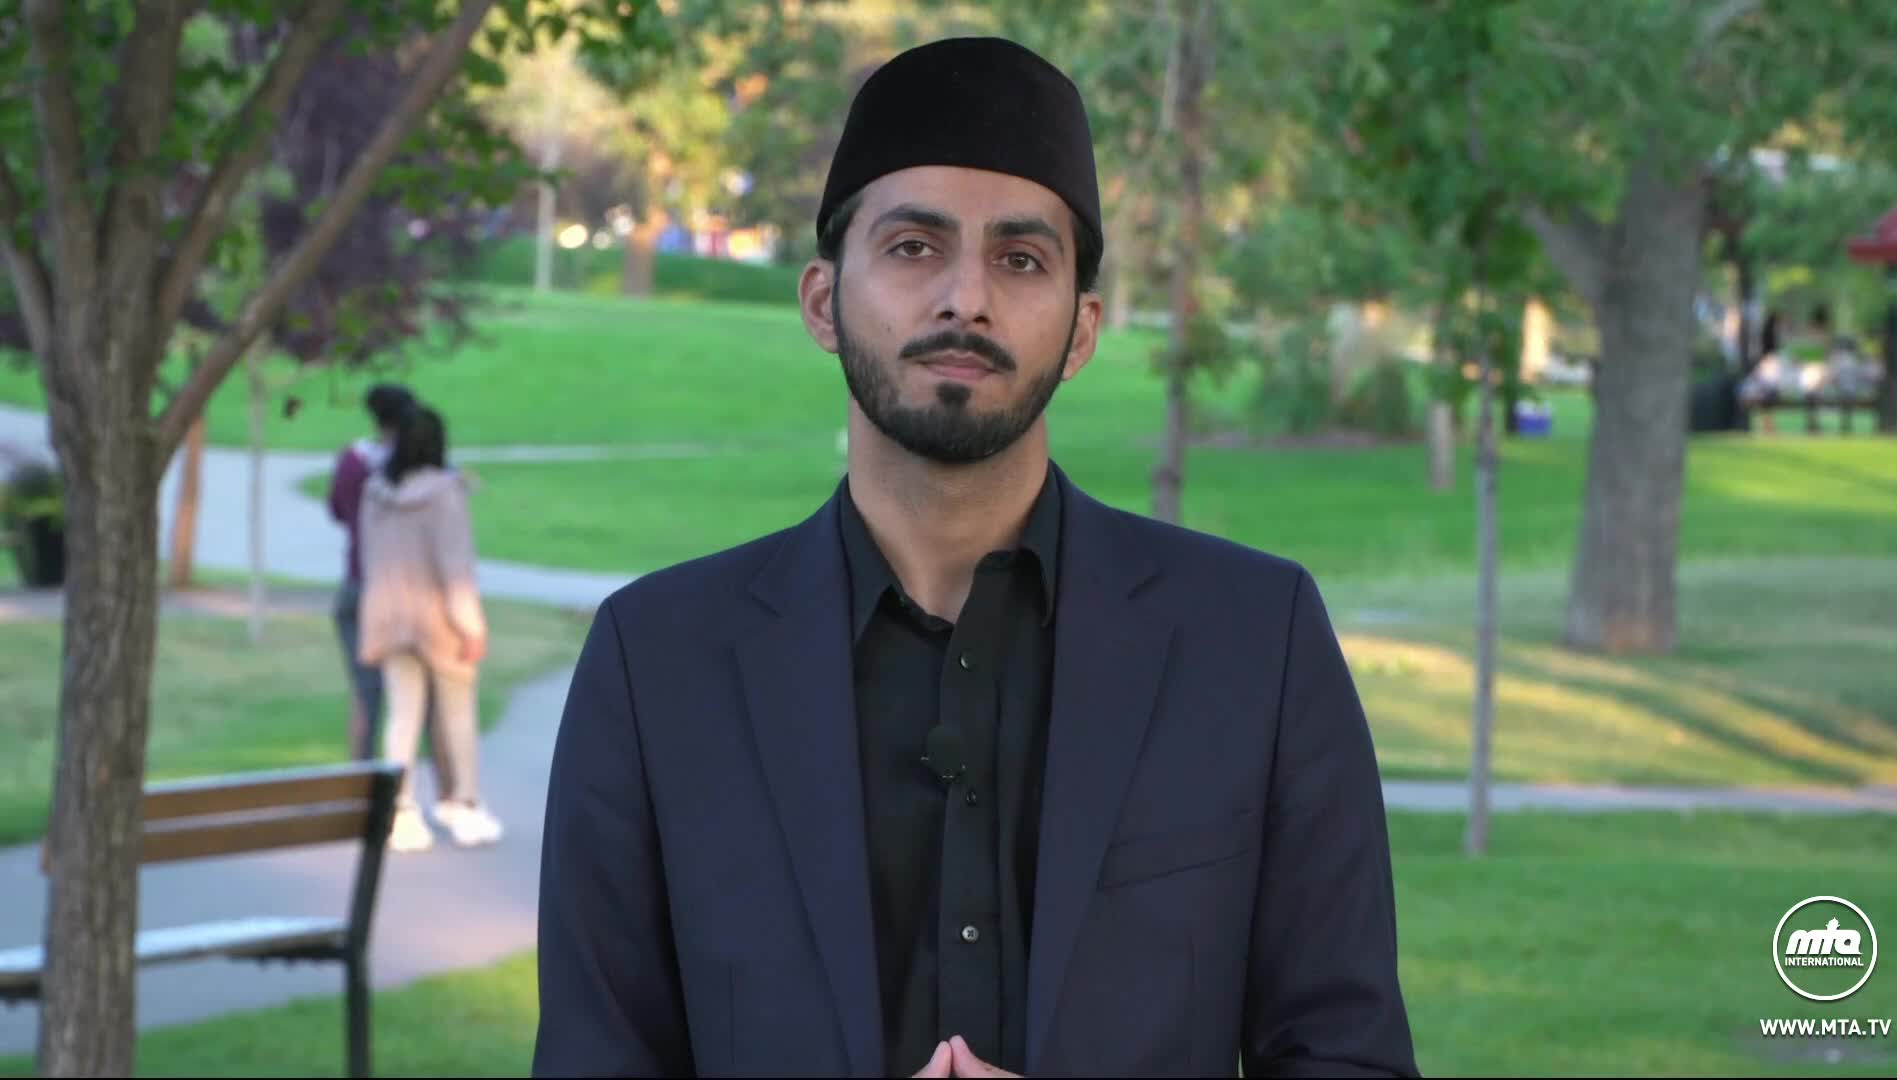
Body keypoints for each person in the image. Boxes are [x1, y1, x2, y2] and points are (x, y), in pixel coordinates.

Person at [533, 36, 1418, 1079]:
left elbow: (1347, 1057)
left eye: (1021, 258)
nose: (967, 298)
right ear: (822, 301)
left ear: (1083, 330)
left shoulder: (1252, 643)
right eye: (914, 246)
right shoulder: (658, 664)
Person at [357, 404, 503, 853]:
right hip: (440, 620)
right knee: (457, 715)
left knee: (402, 718)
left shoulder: (377, 492)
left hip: (390, 616)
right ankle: (465, 804)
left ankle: (399, 811)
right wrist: (471, 626)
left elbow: (369, 555)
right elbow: (455, 567)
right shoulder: (444, 494)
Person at [327, 384, 457, 797]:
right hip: (411, 599)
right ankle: (450, 793)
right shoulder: (425, 475)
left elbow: (335, 510)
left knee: (367, 698)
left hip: (358, 586)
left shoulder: (355, 462)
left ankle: (360, 792)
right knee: (431, 701)